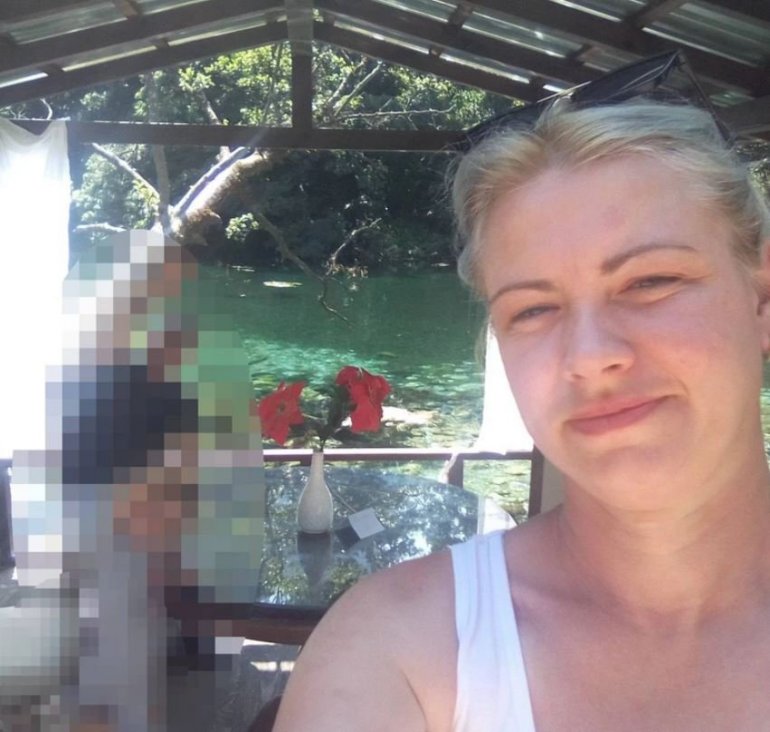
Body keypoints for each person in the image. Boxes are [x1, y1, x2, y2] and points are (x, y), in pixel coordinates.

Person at [273, 95, 770, 731]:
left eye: (650, 281)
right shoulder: (398, 650)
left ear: (761, 298)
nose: (589, 357)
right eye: (533, 310)